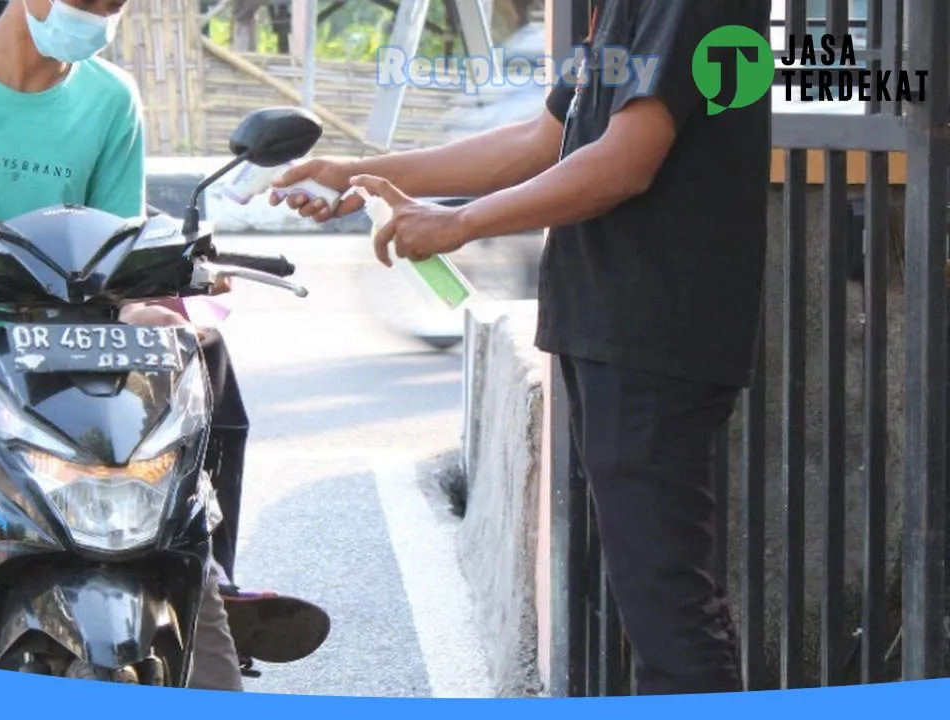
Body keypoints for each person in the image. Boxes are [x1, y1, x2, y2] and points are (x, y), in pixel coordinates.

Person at [0, 0, 326, 691]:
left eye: (114, 6)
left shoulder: (110, 98)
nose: (99, 16)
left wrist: (150, 306)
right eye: (88, 3)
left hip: (74, 353)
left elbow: (113, 238)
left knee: (185, 558)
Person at [272, 0, 769, 695]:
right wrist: (359, 171)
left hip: (658, 327)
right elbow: (543, 140)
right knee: (654, 596)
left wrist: (460, 224)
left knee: (668, 607)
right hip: (611, 324)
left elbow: (625, 162)